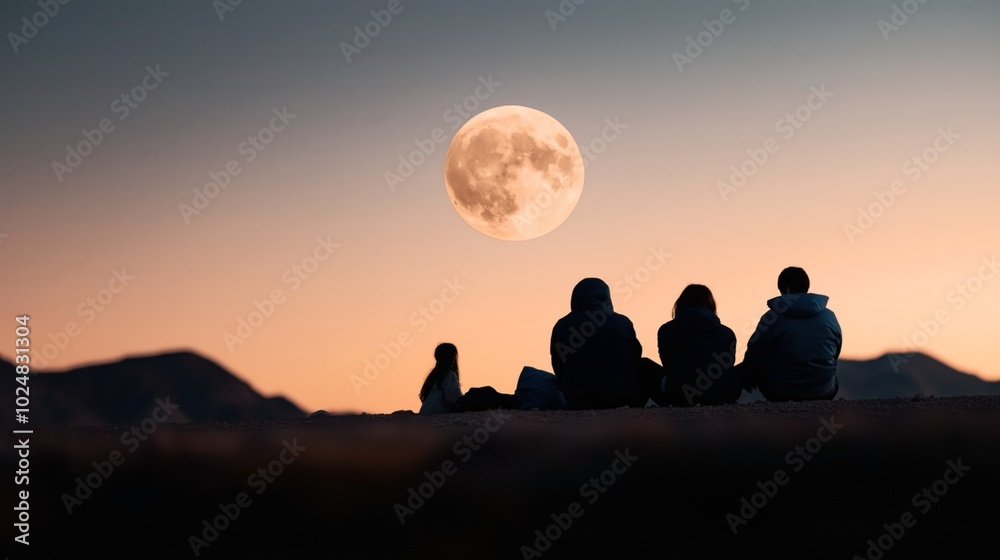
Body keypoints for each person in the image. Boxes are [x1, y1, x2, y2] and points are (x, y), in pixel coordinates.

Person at [735, 267, 842, 401]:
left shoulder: (771, 318)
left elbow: (754, 355)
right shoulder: (829, 316)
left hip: (781, 392)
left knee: (745, 368)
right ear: (807, 287)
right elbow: (835, 351)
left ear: (782, 289)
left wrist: (745, 373)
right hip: (825, 390)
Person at [550, 278, 656, 409]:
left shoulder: (561, 326)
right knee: (645, 365)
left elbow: (558, 366)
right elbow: (635, 357)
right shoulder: (622, 322)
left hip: (577, 400)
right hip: (620, 398)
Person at [657, 284, 740, 406]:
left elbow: (668, 364)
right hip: (723, 395)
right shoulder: (727, 332)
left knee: (644, 364)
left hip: (682, 395)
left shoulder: (666, 330)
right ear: (711, 304)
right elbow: (729, 363)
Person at [418, 343, 463, 414]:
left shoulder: (433, 376)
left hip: (425, 412)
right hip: (438, 412)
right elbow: (452, 399)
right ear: (453, 358)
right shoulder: (449, 375)